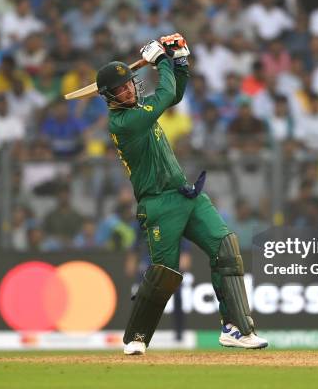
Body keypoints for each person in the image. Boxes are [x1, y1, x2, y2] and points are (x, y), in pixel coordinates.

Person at [94, 33, 267, 355]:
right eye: (119, 88)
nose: (128, 89)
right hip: (158, 203)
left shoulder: (142, 107)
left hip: (186, 195)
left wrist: (180, 61)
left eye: (129, 83)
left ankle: (237, 329)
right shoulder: (123, 123)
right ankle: (137, 337)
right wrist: (161, 60)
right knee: (164, 273)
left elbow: (173, 95)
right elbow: (167, 91)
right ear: (108, 97)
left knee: (225, 247)